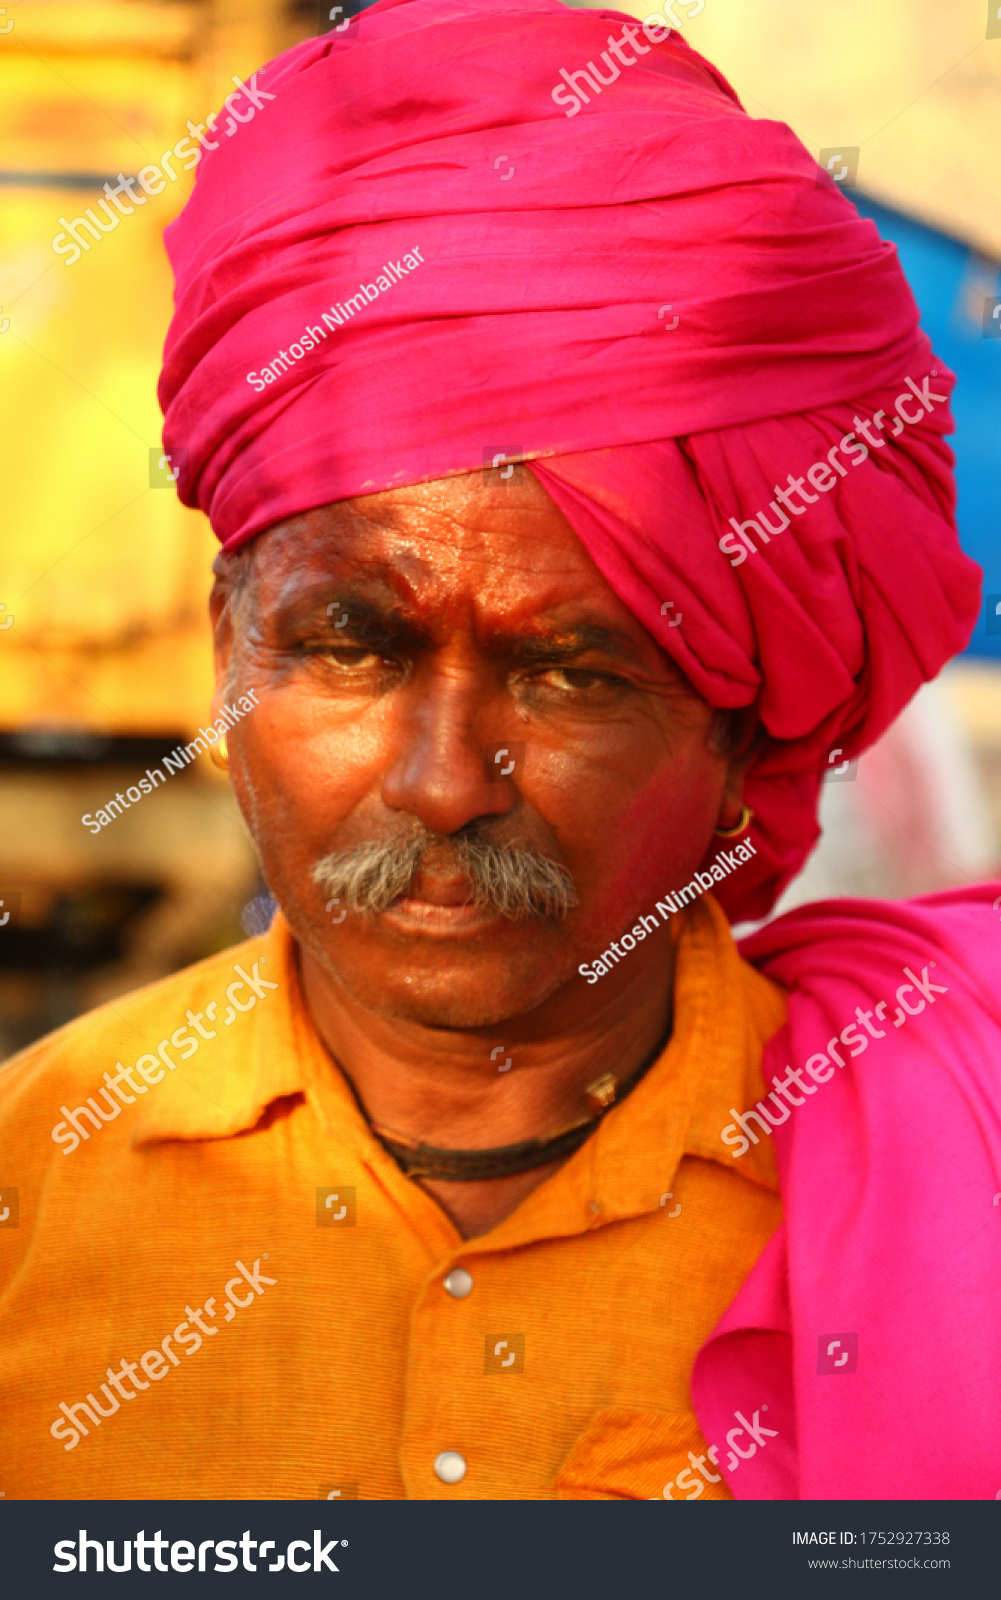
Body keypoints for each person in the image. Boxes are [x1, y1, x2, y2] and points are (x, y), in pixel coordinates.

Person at [1, 0, 997, 1502]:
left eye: (573, 671)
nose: (445, 779)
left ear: (746, 729)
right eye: (351, 648)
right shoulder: (34, 1198)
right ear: (228, 654)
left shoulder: (950, 1171)